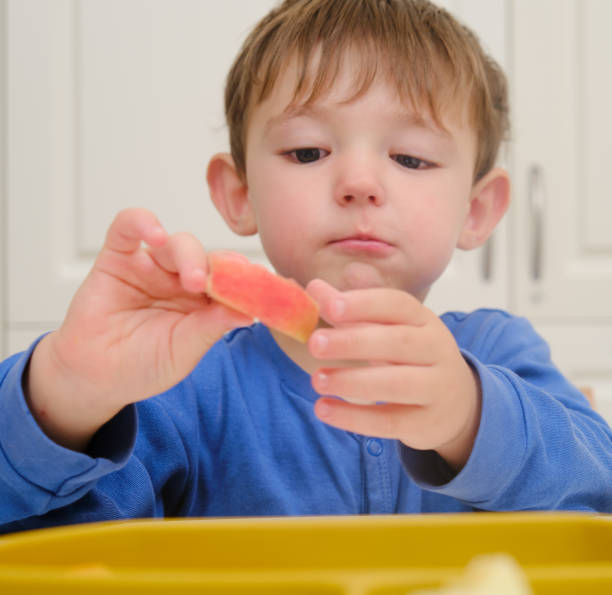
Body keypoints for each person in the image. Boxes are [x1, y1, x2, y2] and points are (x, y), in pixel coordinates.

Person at [0, 0, 610, 534]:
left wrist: (470, 418)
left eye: (411, 157)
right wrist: (66, 397)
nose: (359, 183)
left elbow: (596, 488)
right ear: (239, 194)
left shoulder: (501, 351)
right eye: (308, 151)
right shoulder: (183, 382)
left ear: (476, 210)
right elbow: (55, 538)